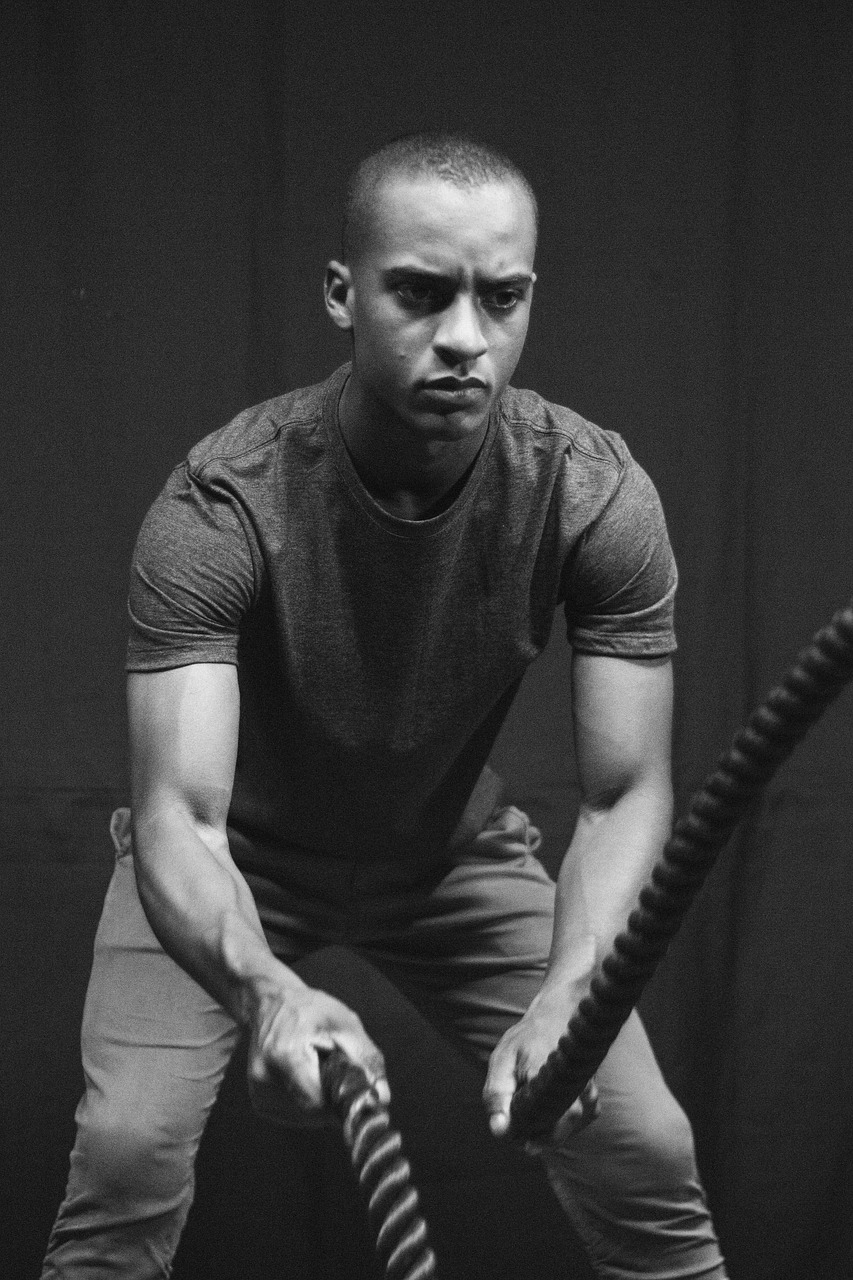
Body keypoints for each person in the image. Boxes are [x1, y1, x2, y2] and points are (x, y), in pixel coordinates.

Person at [43, 132, 727, 1279]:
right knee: (124, 1149)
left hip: (449, 857)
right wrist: (265, 990)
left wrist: (569, 990)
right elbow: (178, 820)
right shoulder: (220, 503)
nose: (465, 337)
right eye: (421, 293)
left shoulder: (594, 491)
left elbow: (623, 793)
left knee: (644, 1142)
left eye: (499, 297)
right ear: (341, 293)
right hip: (236, 860)